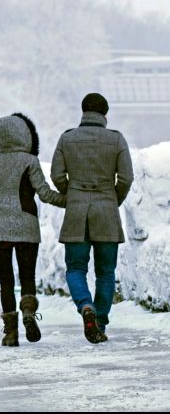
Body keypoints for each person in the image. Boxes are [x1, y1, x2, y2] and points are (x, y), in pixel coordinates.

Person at [0, 113, 67, 347]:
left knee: (5, 281)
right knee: (27, 277)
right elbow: (44, 193)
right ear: (26, 135)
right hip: (27, 227)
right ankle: (28, 311)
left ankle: (10, 333)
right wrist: (67, 200)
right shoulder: (30, 161)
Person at [51, 93, 133, 344]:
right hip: (107, 210)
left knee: (75, 268)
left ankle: (85, 305)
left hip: (77, 211)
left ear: (83, 111)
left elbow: (56, 175)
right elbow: (126, 178)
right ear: (105, 114)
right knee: (106, 272)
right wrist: (112, 199)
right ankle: (100, 321)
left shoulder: (67, 138)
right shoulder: (116, 139)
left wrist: (72, 194)